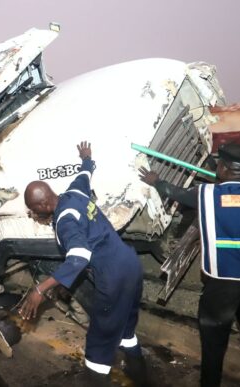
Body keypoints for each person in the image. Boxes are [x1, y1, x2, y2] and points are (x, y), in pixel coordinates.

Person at [139, 143, 240, 387]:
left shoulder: (205, 194)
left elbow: (174, 192)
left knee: (214, 348)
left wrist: (156, 181)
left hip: (221, 284)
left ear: (223, 167)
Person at [19, 141, 145, 385]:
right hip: (130, 264)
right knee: (125, 330)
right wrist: (86, 157)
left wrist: (39, 289)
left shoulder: (65, 220)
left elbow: (79, 257)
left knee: (101, 338)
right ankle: (140, 375)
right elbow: (85, 173)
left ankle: (93, 380)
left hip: (113, 274)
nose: (34, 214)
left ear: (44, 204)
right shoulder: (74, 192)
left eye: (34, 209)